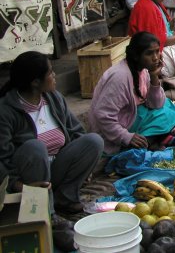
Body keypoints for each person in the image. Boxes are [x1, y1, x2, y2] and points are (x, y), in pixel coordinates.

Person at [0, 51, 103, 214]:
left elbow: (76, 131)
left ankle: (65, 198)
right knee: (35, 147)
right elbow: (2, 157)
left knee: (93, 141)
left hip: (56, 168)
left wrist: (84, 167)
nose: (54, 75)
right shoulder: (6, 111)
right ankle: (46, 213)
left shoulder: (54, 98)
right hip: (28, 178)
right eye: (50, 72)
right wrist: (15, 184)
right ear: (35, 82)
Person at [89, 32, 175, 155]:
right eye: (149, 53)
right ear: (136, 56)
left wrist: (154, 76)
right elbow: (102, 115)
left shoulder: (143, 70)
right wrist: (126, 137)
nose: (155, 57)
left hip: (130, 116)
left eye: (157, 51)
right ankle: (149, 141)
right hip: (109, 133)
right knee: (165, 115)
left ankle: (156, 138)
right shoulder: (120, 77)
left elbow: (156, 104)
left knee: (166, 104)